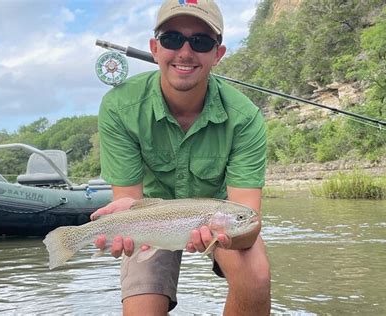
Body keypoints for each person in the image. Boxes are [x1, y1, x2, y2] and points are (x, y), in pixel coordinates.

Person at [91, 0, 271, 314]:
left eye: (200, 42)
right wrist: (122, 224)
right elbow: (128, 200)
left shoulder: (245, 118)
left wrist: (224, 235)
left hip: (214, 216)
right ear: (155, 47)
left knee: (256, 277)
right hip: (149, 218)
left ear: (218, 54)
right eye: (172, 39)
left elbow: (249, 221)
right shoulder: (120, 107)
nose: (185, 53)